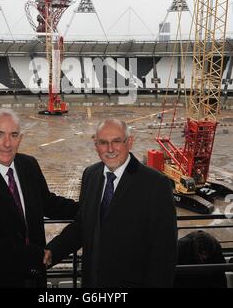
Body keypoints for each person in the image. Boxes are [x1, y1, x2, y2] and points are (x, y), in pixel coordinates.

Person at [0, 108, 78, 288]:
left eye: (14, 135)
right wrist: (38, 256)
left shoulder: (28, 165)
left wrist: (87, 208)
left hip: (32, 280)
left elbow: (47, 202)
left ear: (20, 139)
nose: (7, 143)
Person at [44, 118, 178, 288]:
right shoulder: (91, 174)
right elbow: (83, 225)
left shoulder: (155, 183)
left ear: (129, 142)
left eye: (116, 141)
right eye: (103, 142)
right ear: (96, 145)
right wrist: (53, 251)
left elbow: (164, 252)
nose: (110, 149)